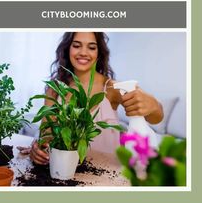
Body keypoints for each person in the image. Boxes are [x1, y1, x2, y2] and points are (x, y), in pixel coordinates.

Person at [23, 32, 163, 165]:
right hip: (63, 173)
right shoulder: (54, 89)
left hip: (106, 177)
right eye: (77, 45)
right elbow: (46, 136)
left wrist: (154, 105)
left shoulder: (111, 88)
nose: (83, 52)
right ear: (67, 49)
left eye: (91, 47)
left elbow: (156, 117)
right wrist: (38, 149)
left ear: (99, 53)